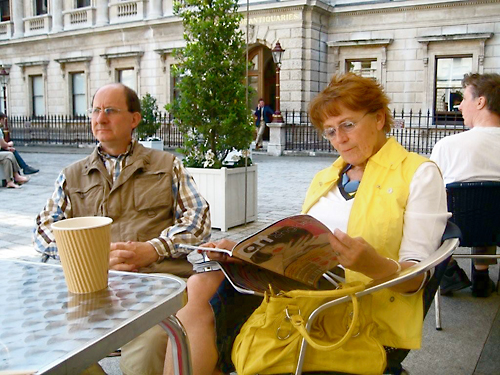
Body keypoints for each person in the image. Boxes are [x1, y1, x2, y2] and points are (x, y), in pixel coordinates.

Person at [163, 73, 450, 375]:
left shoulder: (418, 174)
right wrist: (243, 251)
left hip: (354, 308)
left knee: (203, 312)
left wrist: (375, 265)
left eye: (348, 125)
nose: (340, 138)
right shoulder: (327, 178)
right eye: (330, 131)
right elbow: (298, 249)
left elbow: (418, 277)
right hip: (303, 294)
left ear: (379, 118)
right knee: (200, 285)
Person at [33, 83, 211, 375]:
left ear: (134, 119)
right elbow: (43, 230)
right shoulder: (71, 175)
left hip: (154, 288)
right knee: (51, 352)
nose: (100, 118)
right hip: (92, 293)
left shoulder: (167, 166)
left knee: (148, 348)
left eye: (111, 111)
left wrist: (154, 249)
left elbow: (199, 218)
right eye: (95, 110)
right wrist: (91, 258)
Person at [431, 72, 500, 298]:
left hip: (458, 229)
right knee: (491, 209)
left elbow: (428, 195)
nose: (459, 106)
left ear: (480, 102)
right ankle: (481, 276)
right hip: (496, 228)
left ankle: (448, 273)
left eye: (464, 99)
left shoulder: (448, 146)